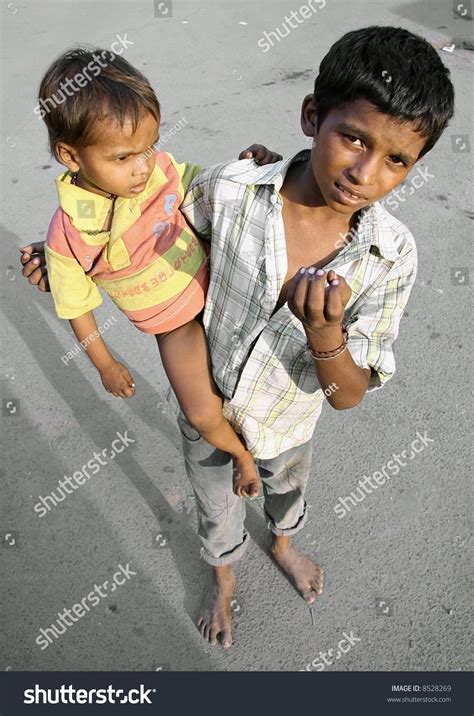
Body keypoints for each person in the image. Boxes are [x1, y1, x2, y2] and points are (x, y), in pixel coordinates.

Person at [21, 26, 455, 649]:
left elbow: (348, 395)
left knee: (286, 490)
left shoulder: (389, 257)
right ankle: (224, 578)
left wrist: (326, 335)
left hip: (288, 420)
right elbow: (152, 228)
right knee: (214, 503)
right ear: (312, 117)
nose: (364, 171)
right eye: (352, 137)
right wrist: (65, 255)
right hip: (210, 403)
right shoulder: (230, 191)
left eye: (396, 160)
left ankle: (282, 544)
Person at [29, 47, 282, 498]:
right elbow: (77, 309)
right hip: (176, 327)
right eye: (124, 158)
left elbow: (210, 189)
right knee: (204, 415)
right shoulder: (69, 236)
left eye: (150, 147)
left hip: (229, 287)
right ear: (71, 155)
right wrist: (104, 364)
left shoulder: (159, 171)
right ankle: (243, 456)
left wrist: (250, 167)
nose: (144, 167)